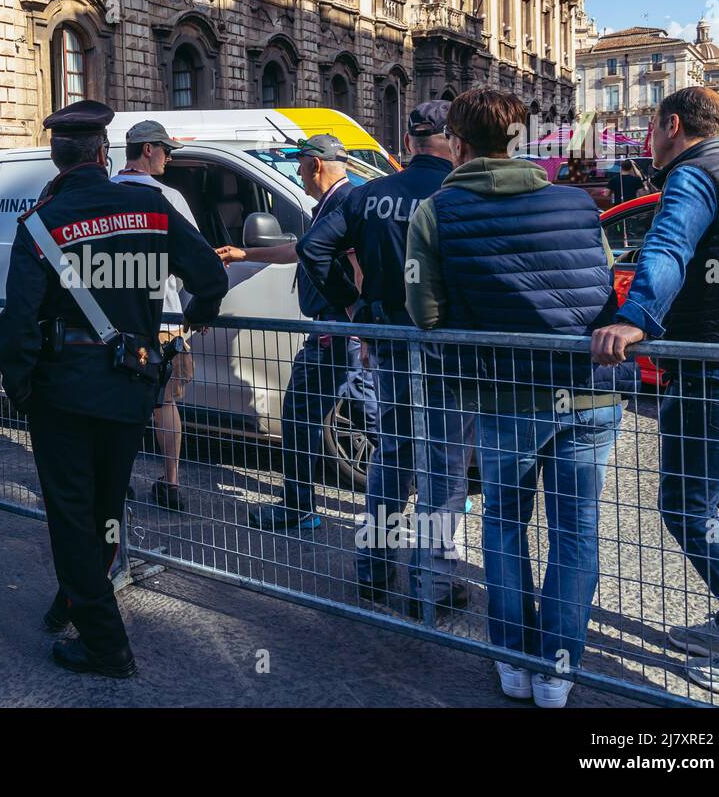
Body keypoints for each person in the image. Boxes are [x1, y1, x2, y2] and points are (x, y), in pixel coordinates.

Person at [407, 88, 629, 708]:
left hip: (507, 394)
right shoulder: (577, 203)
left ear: (457, 141)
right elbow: (601, 282)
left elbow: (424, 311)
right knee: (576, 531)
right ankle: (557, 672)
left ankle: (513, 663)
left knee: (505, 527)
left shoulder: (436, 210)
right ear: (518, 138)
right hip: (589, 390)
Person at [0, 100, 228, 677]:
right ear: (103, 154)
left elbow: (18, 323)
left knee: (72, 514)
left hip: (64, 389)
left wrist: (20, 390)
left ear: (58, 158)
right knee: (105, 507)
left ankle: (105, 644)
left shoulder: (42, 222)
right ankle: (76, 598)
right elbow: (212, 276)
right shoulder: (150, 205)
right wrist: (194, 318)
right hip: (131, 383)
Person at [592, 86, 719, 700]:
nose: (647, 140)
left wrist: (636, 316)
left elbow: (666, 251)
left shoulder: (694, 177)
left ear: (672, 125)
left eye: (651, 128)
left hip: (714, 368)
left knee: (686, 507)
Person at [298, 102, 473, 617]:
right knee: (443, 470)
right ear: (451, 137)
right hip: (446, 347)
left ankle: (374, 572)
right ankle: (432, 586)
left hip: (388, 339)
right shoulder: (457, 194)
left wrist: (352, 308)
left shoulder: (369, 195)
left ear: (410, 139)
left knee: (392, 456)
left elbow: (313, 249)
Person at [216, 134, 375, 531]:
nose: (299, 174)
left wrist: (356, 322)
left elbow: (358, 266)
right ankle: (440, 490)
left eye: (300, 166)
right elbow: (300, 250)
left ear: (316, 165)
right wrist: (246, 253)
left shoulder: (343, 202)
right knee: (366, 414)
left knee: (337, 414)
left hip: (337, 331)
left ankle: (299, 506)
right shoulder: (336, 202)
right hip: (338, 330)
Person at [110, 119, 196, 511]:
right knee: (166, 402)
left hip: (113, 323)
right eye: (166, 149)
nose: (170, 156)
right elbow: (194, 259)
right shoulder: (168, 198)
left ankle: (118, 481)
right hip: (163, 320)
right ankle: (172, 483)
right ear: (148, 150)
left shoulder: (104, 193)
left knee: (118, 402)